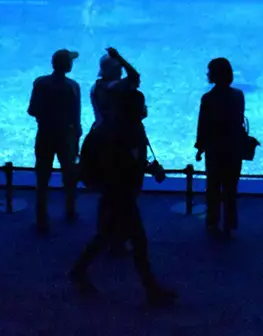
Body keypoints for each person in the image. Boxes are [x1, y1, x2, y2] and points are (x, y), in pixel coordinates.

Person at [69, 85, 176, 305]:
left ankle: (78, 271)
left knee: (105, 235)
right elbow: (120, 164)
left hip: (120, 192)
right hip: (119, 193)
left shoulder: (128, 128)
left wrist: (148, 168)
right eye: (140, 106)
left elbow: (131, 159)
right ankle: (151, 289)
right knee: (138, 241)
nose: (144, 109)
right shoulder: (119, 132)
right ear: (132, 108)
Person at [28, 48, 82, 232]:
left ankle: (41, 217)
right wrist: (76, 138)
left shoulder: (40, 83)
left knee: (42, 176)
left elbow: (32, 110)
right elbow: (76, 119)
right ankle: (70, 210)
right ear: (68, 65)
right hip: (66, 136)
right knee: (69, 174)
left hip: (45, 134)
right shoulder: (73, 86)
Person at [195, 57, 246, 237]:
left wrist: (199, 147)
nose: (207, 74)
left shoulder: (208, 98)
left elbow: (203, 125)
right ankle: (229, 224)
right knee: (231, 188)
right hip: (233, 148)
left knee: (213, 187)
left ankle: (212, 222)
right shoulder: (239, 95)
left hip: (215, 149)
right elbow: (239, 120)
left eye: (210, 71)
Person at [90, 47, 141, 131]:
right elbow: (134, 77)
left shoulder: (96, 86)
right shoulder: (112, 87)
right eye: (117, 68)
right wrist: (119, 58)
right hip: (114, 134)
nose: (120, 71)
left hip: (101, 131)